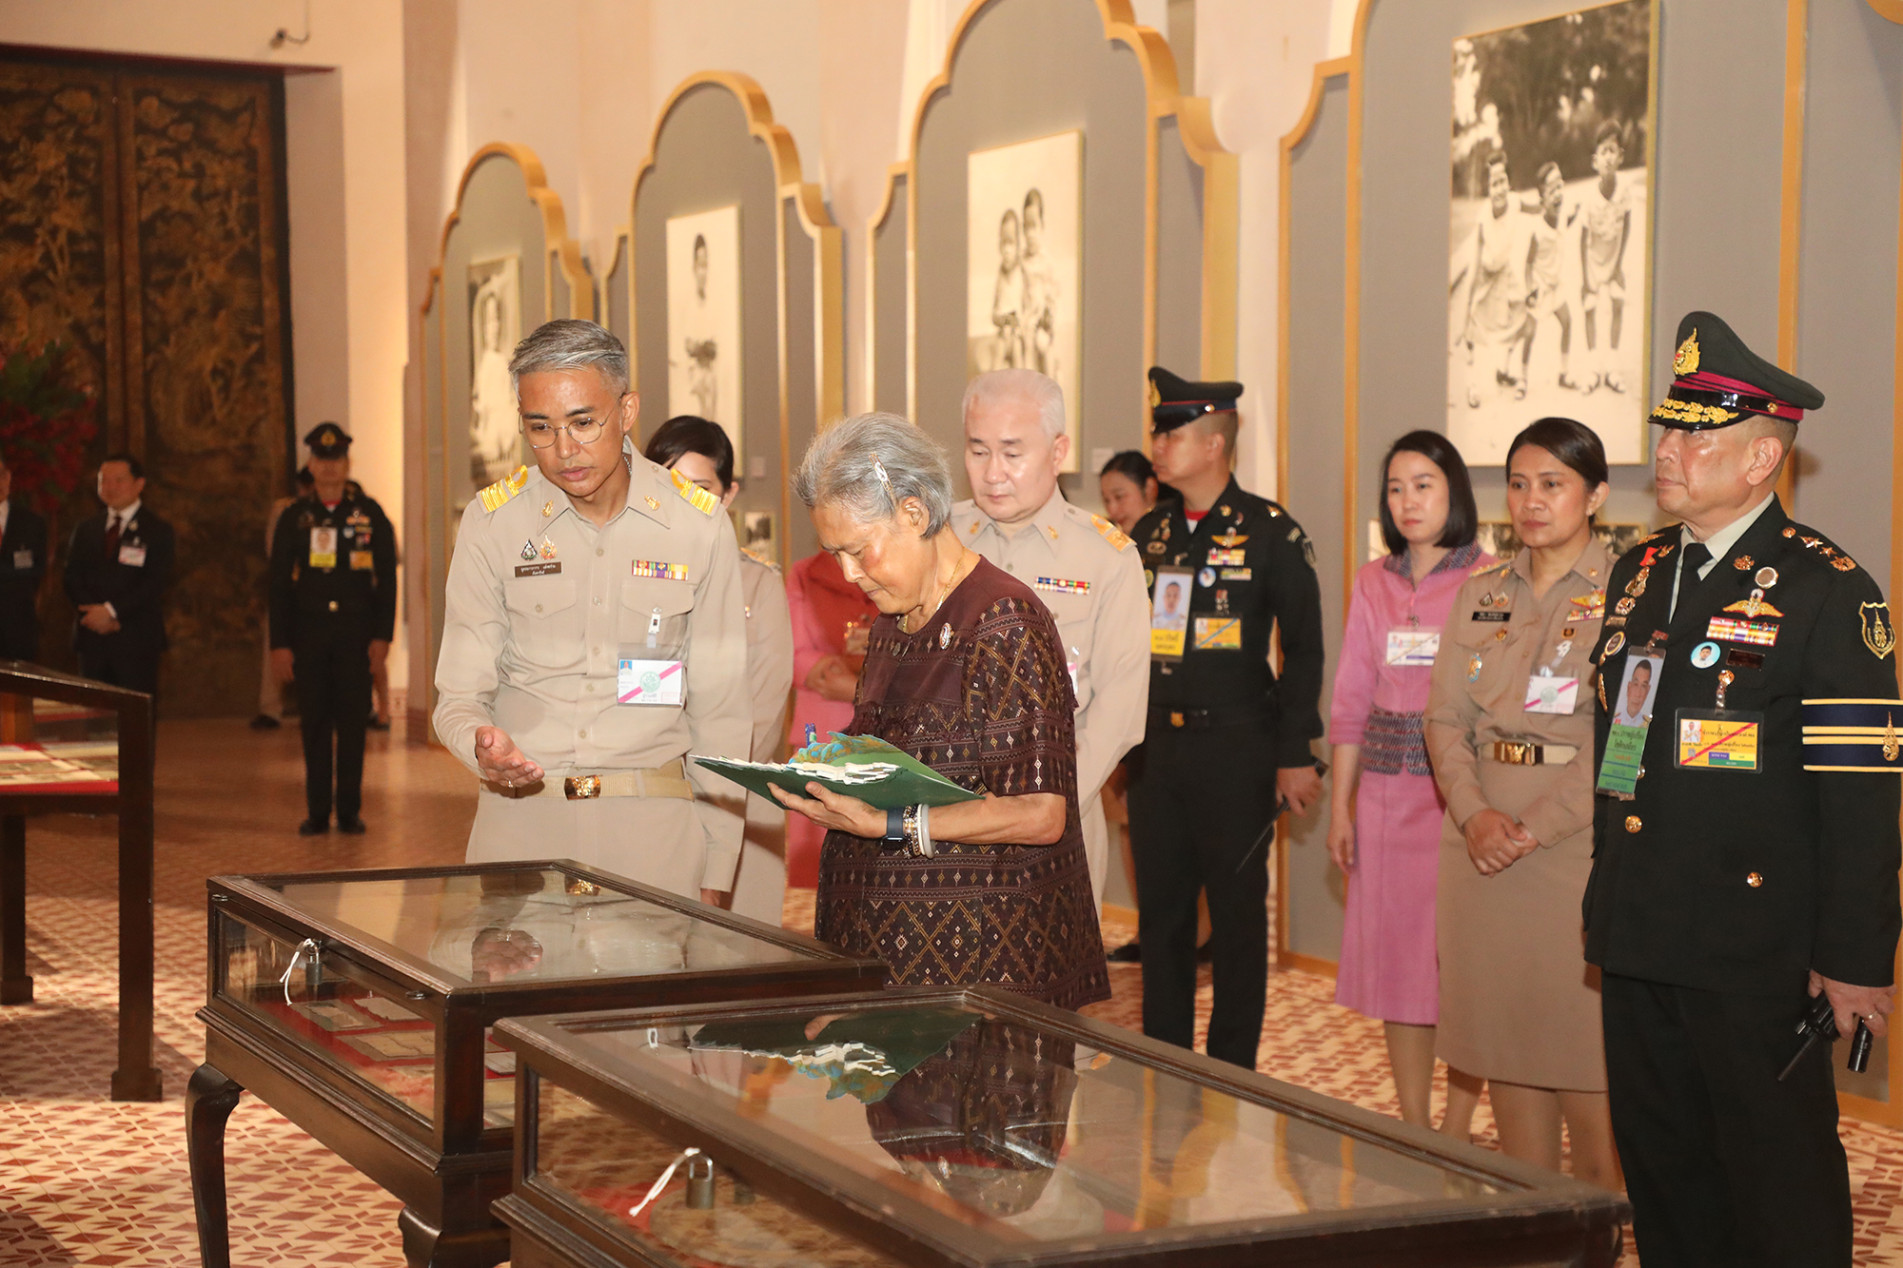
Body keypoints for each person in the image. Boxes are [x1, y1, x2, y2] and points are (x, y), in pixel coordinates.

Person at [1587, 311, 1901, 1267]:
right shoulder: (1639, 571)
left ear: (1762, 458)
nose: (1665, 452)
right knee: (1664, 1174)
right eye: (1666, 430)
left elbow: (1861, 800)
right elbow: (1620, 747)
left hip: (1755, 947)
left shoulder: (1826, 590)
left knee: (1777, 1184)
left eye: (1694, 437)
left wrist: (1854, 959)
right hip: (1641, 927)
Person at [773, 412, 1107, 1008]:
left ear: (914, 513)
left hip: (981, 968)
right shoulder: (892, 623)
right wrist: (830, 768)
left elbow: (1040, 814)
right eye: (835, 554)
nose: (849, 574)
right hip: (889, 955)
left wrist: (891, 824)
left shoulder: (1002, 620)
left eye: (859, 550)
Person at [433, 319, 750, 903]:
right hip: (522, 828)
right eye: (541, 428)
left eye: (583, 422)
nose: (564, 450)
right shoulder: (493, 524)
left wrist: (718, 864)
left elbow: (723, 711)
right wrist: (480, 744)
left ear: (627, 411)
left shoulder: (696, 526)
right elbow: (457, 695)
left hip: (652, 837)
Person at [1424, 416, 1619, 1187]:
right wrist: (1473, 815)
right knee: (1507, 1081)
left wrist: (1531, 829)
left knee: (1591, 1092)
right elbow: (1443, 719)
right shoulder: (1479, 595)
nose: (1530, 501)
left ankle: (1600, 1234)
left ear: (1594, 495)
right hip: (1478, 857)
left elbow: (1624, 738)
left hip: (1572, 859)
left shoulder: (1627, 597)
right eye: (1517, 483)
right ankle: (1538, 1234)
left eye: (1552, 484)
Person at [1129, 367, 1325, 1069]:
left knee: (1237, 921)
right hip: (1157, 754)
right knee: (1162, 920)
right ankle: (1165, 1067)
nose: (1157, 445)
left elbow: (1303, 649)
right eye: (1157, 433)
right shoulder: (1148, 532)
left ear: (1213, 444)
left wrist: (1294, 752)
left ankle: (1231, 1076)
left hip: (1237, 750)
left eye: (1171, 434)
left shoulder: (1270, 532)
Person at [1328, 431, 1493, 1131]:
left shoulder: (1488, 579)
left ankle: (1456, 1128)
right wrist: (1341, 808)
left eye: (1423, 485)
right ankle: (1415, 1126)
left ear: (1454, 491)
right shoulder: (1373, 580)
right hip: (1385, 800)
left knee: (1458, 971)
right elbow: (1349, 699)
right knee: (1399, 972)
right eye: (1395, 488)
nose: (1407, 501)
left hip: (1458, 802)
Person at [954, 369, 1148, 909]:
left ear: (1058, 451)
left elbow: (1120, 712)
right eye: (978, 451)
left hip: (1058, 819)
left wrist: (1038, 808)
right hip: (946, 817)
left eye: (1012, 453)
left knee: (1050, 965)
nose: (993, 472)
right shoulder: (939, 540)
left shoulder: (1106, 558)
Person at [644, 414, 795, 926]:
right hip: (650, 804)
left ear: (728, 495)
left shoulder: (758, 586)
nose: (684, 501)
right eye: (668, 484)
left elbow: (762, 719)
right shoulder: (634, 584)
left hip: (738, 804)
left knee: (737, 956)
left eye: (701, 488)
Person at [269, 424, 397, 835]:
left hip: (355, 636)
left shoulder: (369, 514)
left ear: (346, 463)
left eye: (336, 459)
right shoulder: (295, 517)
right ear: (310, 464)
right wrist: (280, 644)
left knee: (353, 724)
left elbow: (387, 581)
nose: (329, 467)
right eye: (321, 460)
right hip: (308, 636)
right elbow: (277, 584)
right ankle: (317, 811)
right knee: (315, 725)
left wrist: (382, 637)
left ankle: (349, 811)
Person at [784, 547, 879, 888]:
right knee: (816, 870)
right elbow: (791, 653)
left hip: (885, 732)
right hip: (819, 735)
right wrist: (830, 670)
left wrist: (857, 686)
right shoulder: (804, 574)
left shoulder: (895, 564)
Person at [62, 453, 174, 695]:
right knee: (92, 712)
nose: (110, 487)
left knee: (134, 714)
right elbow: (72, 577)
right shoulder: (86, 529)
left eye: (119, 480)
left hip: (136, 639)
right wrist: (94, 614)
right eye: (104, 480)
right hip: (92, 636)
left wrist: (111, 612)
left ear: (139, 484)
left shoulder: (158, 530)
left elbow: (154, 583)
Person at [1453, 150, 1533, 408]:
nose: (1498, 188)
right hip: (1486, 274)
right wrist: (1469, 300)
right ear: (1488, 188)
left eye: (1502, 181)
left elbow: (1538, 207)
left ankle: (1504, 369)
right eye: (1493, 183)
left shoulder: (1516, 202)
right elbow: (1475, 261)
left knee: (1522, 320)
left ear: (1509, 183)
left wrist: (1556, 205)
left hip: (1505, 274)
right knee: (1473, 330)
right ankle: (1472, 385)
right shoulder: (1483, 216)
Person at [252, 467, 315, 730]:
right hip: (289, 588)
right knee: (276, 646)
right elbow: (274, 550)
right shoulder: (285, 510)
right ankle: (270, 708)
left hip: (319, 592)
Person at [1579, 121, 1632, 395]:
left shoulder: (1624, 191)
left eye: (1613, 150)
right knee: (1589, 307)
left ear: (1620, 156)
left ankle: (1612, 366)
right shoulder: (1589, 197)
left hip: (1613, 259)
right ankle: (1592, 368)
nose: (1608, 157)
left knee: (1617, 304)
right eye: (1603, 152)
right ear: (1595, 161)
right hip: (1593, 260)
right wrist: (1585, 277)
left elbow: (1627, 223)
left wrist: (1619, 264)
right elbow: (1582, 239)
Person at [0, 450, 48, 663]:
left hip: (17, 629)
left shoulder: (31, 522)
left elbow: (35, 572)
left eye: (1, 475)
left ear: (8, 477)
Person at [1609, 657, 1652, 728]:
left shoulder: (1647, 725)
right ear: (1629, 687)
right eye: (1635, 684)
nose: (1638, 694)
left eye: (1643, 686)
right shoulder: (1613, 720)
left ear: (1647, 691)